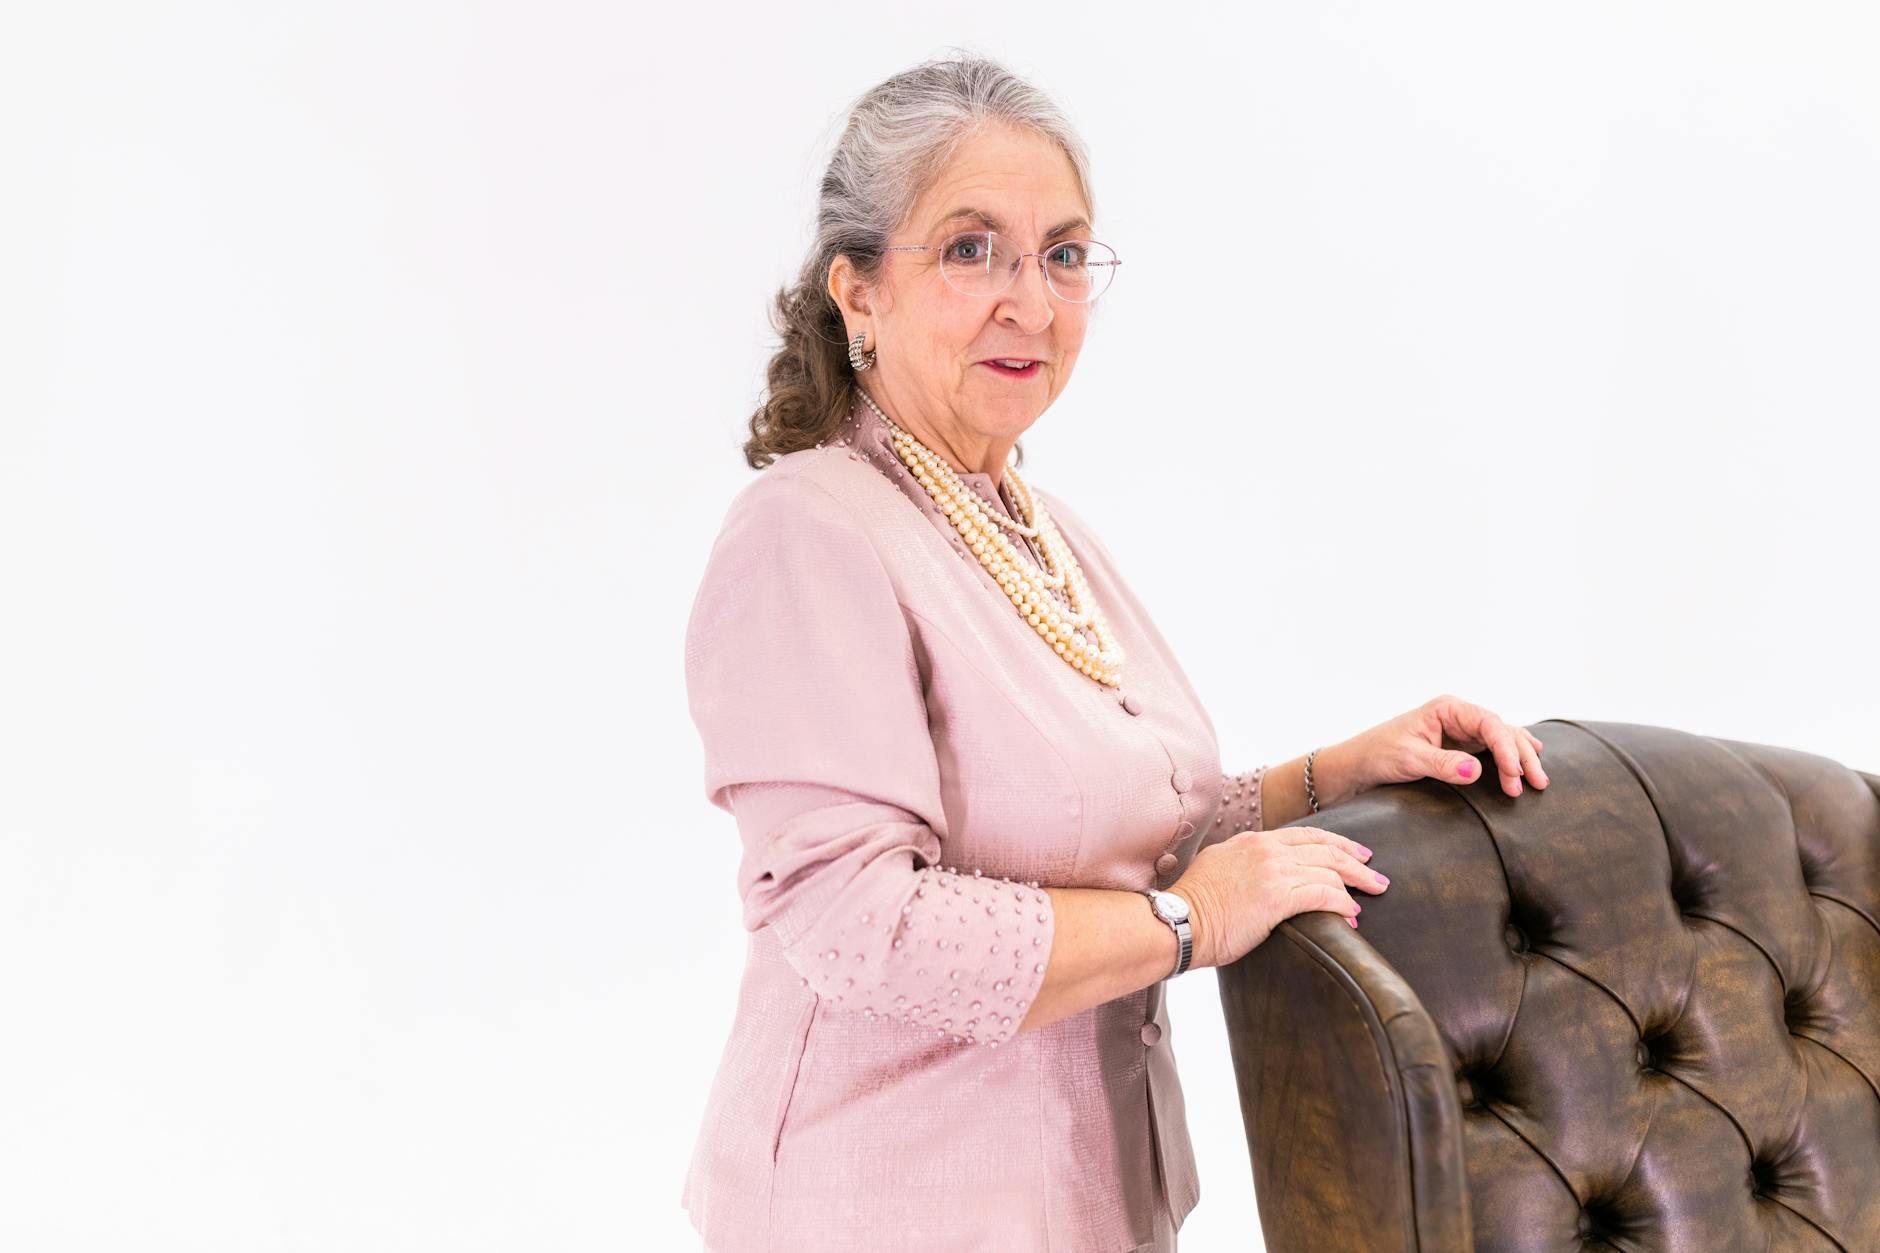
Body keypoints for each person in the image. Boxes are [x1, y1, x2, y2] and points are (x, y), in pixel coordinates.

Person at [679, 52, 1549, 1253]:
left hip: (1087, 1201)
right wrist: (1188, 923)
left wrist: (1341, 769)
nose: (1030, 302)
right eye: (969, 248)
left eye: (1063, 254)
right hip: (887, 1207)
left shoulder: (1032, 525)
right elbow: (854, 923)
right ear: (857, 289)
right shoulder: (809, 530)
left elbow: (1129, 835)